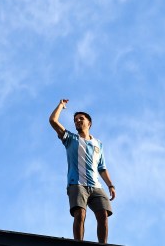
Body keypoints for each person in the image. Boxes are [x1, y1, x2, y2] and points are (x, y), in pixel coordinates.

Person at [49, 99, 116, 244]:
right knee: (80, 214)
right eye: (75, 120)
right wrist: (61, 105)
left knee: (103, 215)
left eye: (81, 118)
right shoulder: (70, 139)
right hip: (77, 184)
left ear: (89, 123)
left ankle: (102, 244)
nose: (77, 121)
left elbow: (102, 167)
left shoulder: (98, 144)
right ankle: (78, 243)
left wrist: (110, 185)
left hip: (96, 186)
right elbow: (53, 121)